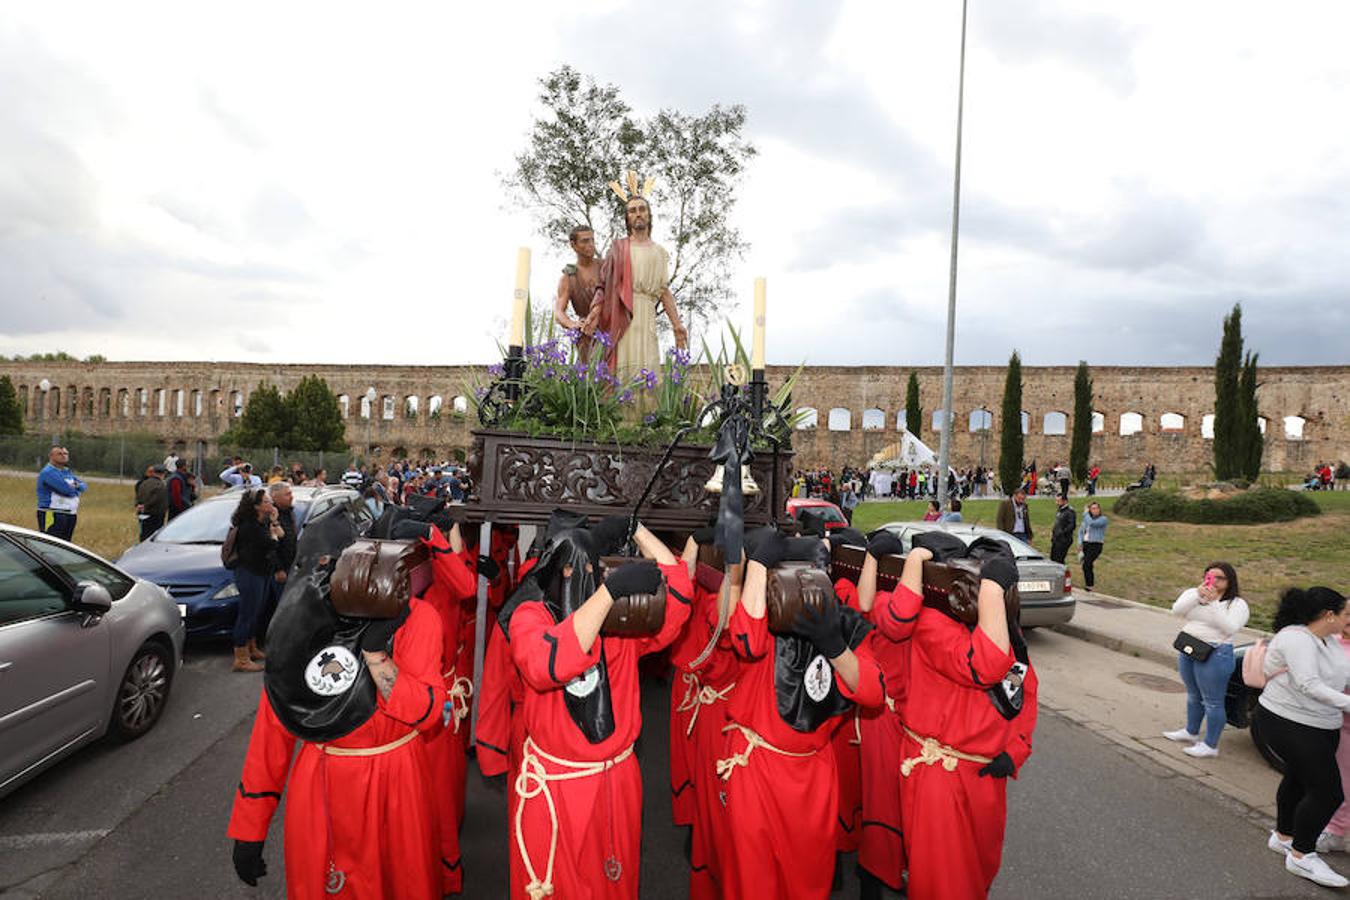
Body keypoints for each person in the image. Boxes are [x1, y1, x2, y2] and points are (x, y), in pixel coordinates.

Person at [227, 532, 449, 899]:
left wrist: (377, 654)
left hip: (397, 781)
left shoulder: (419, 618)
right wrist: (251, 826)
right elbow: (273, 730)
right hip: (324, 784)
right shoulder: (302, 624)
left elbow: (427, 713)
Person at [501, 522, 692, 899]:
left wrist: (637, 529)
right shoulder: (530, 617)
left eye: (587, 569)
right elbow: (544, 667)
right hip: (555, 785)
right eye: (568, 571)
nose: (576, 578)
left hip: (614, 781)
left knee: (613, 885)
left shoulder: (620, 627)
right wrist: (607, 593)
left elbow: (680, 592)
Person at [718, 529, 883, 898]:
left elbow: (873, 693)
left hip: (811, 775)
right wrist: (758, 566)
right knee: (751, 879)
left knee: (807, 878)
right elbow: (744, 638)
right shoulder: (766, 621)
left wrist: (835, 647)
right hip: (756, 767)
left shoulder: (845, 625)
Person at [878, 533, 1038, 900]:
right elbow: (984, 665)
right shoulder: (933, 625)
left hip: (983, 778)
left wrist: (1015, 751)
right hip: (940, 774)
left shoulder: (1007, 637)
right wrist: (992, 593)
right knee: (943, 881)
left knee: (978, 870)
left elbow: (1023, 694)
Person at [1258, 587, 1350, 888]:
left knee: (1298, 780)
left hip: (1321, 723)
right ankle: (1302, 855)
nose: (1348, 621)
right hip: (1288, 720)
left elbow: (1342, 675)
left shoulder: (1329, 640)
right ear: (1329, 615)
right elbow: (1308, 684)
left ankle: (1284, 837)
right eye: (1346, 614)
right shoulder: (1296, 638)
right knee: (1328, 793)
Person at [594, 178, 689, 385]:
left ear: (649, 215)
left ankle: (648, 416)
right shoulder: (618, 249)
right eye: (632, 210)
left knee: (647, 367)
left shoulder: (660, 252)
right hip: (621, 316)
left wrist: (677, 325)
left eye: (642, 209)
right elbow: (603, 285)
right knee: (622, 369)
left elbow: (664, 291)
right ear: (627, 218)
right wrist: (594, 314)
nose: (638, 213)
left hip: (646, 315)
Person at [1163, 563, 1249, 757]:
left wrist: (1212, 604)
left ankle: (1211, 745)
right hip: (1189, 647)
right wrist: (1197, 597)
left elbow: (1230, 628)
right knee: (1194, 695)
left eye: (1220, 578)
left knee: (1213, 702)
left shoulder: (1237, 604)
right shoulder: (1194, 593)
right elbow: (1177, 611)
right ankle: (1191, 732)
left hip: (1216, 653)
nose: (1215, 581)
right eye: (1211, 576)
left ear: (1230, 581)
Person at [230, 488, 284, 673]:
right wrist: (274, 536)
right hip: (249, 573)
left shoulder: (262, 522)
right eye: (267, 502)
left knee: (256, 612)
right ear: (257, 507)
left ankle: (252, 648)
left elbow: (281, 535)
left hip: (261, 572)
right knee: (247, 613)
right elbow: (273, 543)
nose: (271, 504)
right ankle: (241, 658)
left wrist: (275, 520)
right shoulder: (249, 526)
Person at [1316, 613, 1350, 854]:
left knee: (1344, 782)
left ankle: (1336, 832)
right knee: (1334, 779)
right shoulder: (1329, 641)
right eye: (1347, 613)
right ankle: (1334, 829)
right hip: (1330, 723)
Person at [555, 225, 602, 362]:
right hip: (586, 335)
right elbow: (559, 312)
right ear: (573, 245)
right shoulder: (569, 278)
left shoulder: (605, 267)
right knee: (589, 377)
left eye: (592, 240)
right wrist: (572, 324)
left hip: (611, 332)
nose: (591, 245)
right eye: (585, 241)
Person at [36, 445, 86, 541]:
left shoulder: (66, 471)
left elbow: (84, 486)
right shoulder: (48, 472)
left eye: (65, 453)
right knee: (50, 543)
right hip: (53, 513)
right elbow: (67, 490)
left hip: (70, 513)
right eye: (59, 454)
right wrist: (76, 488)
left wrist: (77, 486)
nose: (63, 456)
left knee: (65, 544)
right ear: (51, 456)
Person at [1078, 501, 1108, 591]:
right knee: (1087, 564)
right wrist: (1080, 543)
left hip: (1096, 544)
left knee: (1087, 564)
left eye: (1096, 508)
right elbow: (1081, 531)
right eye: (1093, 508)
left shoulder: (1103, 519)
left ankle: (1089, 585)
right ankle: (1089, 584)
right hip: (1086, 543)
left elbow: (1092, 524)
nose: (1095, 510)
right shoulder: (1086, 519)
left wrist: (1086, 513)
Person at [135, 464, 168, 542]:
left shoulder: (144, 483)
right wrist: (146, 506)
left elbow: (138, 496)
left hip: (142, 513)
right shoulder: (160, 485)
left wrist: (140, 506)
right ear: (163, 473)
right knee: (153, 537)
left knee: (144, 534)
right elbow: (155, 499)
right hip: (155, 515)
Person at [1049, 494, 1076, 565]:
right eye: (1056, 501)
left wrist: (1062, 533)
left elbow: (1072, 525)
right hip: (1056, 539)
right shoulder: (1060, 510)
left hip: (1063, 540)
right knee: (1053, 559)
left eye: (1059, 501)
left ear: (1065, 501)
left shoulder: (1070, 512)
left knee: (1059, 559)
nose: (1056, 503)